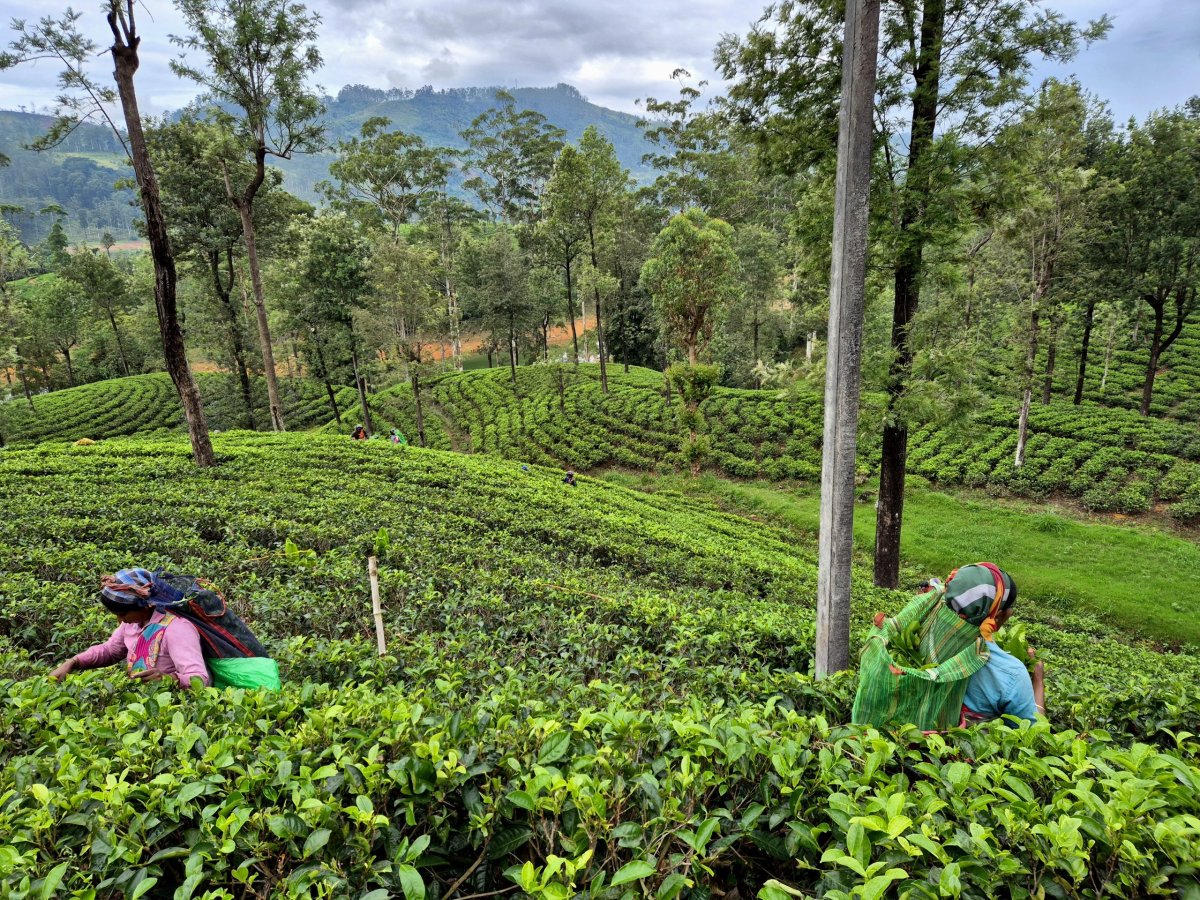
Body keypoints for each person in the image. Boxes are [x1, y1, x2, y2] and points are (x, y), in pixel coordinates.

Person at [48, 569, 210, 688]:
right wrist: (73, 662)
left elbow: (200, 679)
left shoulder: (177, 629)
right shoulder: (132, 623)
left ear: (146, 605)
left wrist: (169, 679)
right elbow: (110, 651)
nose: (120, 620)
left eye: (123, 614)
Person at [944, 563, 1044, 724]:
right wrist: (1038, 681)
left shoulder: (925, 633)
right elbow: (1036, 732)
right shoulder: (1012, 673)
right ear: (998, 615)